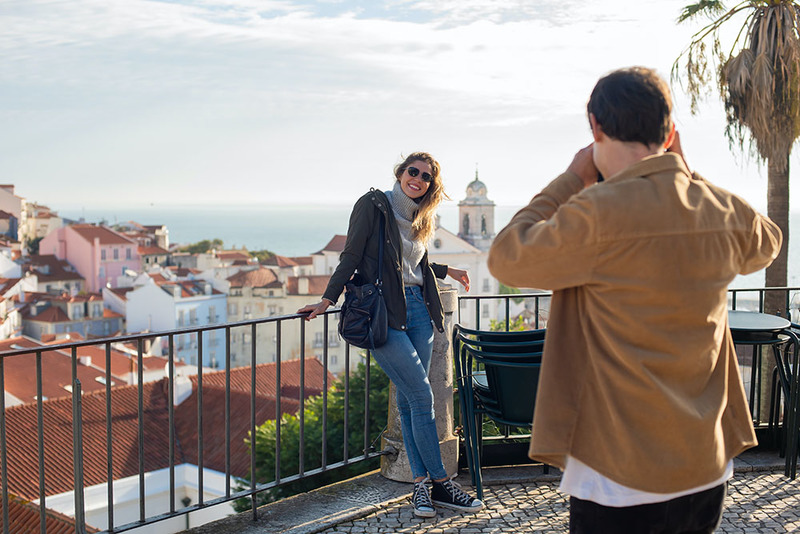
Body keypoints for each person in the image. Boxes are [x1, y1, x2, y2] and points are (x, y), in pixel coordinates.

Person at [487, 67, 782, 533]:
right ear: (669, 134)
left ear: (595, 126)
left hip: (617, 473)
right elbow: (768, 240)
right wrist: (686, 174)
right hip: (703, 463)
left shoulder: (597, 213)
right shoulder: (716, 210)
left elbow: (506, 257)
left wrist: (570, 178)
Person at [298, 152, 484, 518]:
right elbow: (351, 255)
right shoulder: (373, 204)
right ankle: (442, 482)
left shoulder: (421, 216)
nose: (417, 178)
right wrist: (326, 299)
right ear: (399, 173)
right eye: (412, 172)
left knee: (408, 402)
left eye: (426, 176)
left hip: (419, 308)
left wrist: (448, 269)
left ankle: (420, 488)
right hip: (382, 312)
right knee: (421, 394)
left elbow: (414, 263)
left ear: (431, 184)